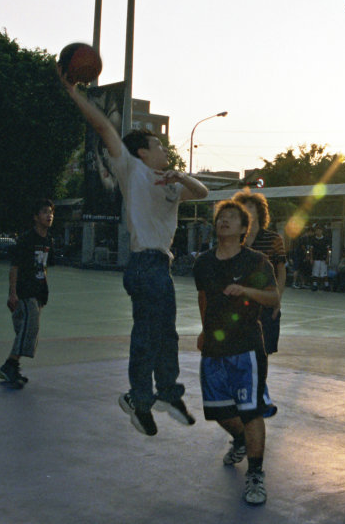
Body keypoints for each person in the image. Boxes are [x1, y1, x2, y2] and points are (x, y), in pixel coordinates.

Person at [60, 68, 208, 436]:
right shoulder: (131, 169)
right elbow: (103, 129)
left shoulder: (170, 183)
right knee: (148, 333)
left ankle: (165, 393)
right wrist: (75, 92)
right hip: (144, 264)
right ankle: (139, 397)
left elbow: (202, 193)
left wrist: (181, 177)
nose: (163, 148)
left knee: (166, 333)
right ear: (142, 152)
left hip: (160, 266)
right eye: (157, 144)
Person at [193, 199, 279, 506]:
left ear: (244, 228)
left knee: (251, 410)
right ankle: (242, 439)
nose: (224, 221)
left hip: (247, 348)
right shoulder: (203, 262)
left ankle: (255, 474)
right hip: (214, 346)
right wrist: (204, 329)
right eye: (221, 218)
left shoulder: (255, 262)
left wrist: (246, 291)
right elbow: (203, 298)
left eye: (232, 218)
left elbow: (272, 298)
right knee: (218, 410)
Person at [233, 189, 284, 416]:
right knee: (244, 350)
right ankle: (258, 396)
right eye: (242, 209)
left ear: (260, 213)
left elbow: (281, 271)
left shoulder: (273, 239)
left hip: (265, 303)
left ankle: (257, 393)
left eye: (251, 208)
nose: (247, 212)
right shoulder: (234, 241)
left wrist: (277, 300)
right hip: (240, 305)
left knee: (261, 352)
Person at [0, 199, 55, 389]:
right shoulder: (26, 240)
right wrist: (12, 293)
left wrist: (44, 293)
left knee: (25, 330)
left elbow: (43, 268)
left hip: (38, 293)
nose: (49, 215)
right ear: (36, 217)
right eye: (45, 212)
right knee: (30, 328)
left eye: (51, 212)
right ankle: (9, 365)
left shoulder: (48, 240)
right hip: (24, 291)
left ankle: (12, 367)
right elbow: (14, 267)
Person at [310, 224, 330, 291]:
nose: (318, 232)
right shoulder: (313, 239)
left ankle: (326, 285)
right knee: (315, 272)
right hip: (316, 258)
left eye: (319, 230)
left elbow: (328, 250)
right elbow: (311, 250)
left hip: (323, 258)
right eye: (317, 230)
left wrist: (327, 258)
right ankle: (315, 285)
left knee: (324, 273)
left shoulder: (325, 239)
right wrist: (311, 258)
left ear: (322, 231)